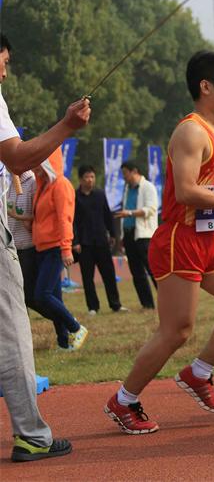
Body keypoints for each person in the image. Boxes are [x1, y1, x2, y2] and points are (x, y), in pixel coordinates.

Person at [103, 51, 214, 435]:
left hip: (208, 242)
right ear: (205, 87)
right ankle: (123, 400)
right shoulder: (191, 131)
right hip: (180, 241)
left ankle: (199, 372)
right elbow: (189, 191)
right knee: (176, 330)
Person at [0, 31, 91, 461]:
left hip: (45, 241)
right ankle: (32, 436)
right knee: (13, 331)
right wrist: (67, 125)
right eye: (2, 61)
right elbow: (17, 157)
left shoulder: (57, 187)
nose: (4, 70)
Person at [32, 149, 88, 352]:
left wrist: (66, 248)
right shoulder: (43, 186)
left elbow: (65, 218)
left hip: (55, 247)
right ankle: (63, 341)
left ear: (47, 162)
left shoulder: (61, 185)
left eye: (37, 161)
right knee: (55, 295)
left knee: (42, 295)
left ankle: (76, 327)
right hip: (42, 247)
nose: (34, 166)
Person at [73, 164, 126, 314]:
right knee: (87, 277)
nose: (90, 180)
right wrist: (75, 241)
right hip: (84, 243)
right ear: (80, 179)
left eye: (92, 177)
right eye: (86, 177)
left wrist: (113, 234)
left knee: (109, 274)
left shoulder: (100, 194)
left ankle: (116, 304)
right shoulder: (75, 197)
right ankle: (93, 307)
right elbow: (73, 221)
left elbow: (107, 215)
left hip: (102, 241)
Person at [114, 160, 158, 310]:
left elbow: (151, 209)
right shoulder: (127, 189)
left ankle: (167, 301)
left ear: (134, 171)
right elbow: (124, 213)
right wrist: (121, 237)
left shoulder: (148, 187)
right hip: (129, 234)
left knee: (152, 269)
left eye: (125, 173)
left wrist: (130, 213)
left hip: (144, 234)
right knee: (136, 272)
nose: (124, 177)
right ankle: (147, 304)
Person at [7, 170, 37, 311]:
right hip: (11, 245)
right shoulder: (8, 181)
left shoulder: (32, 182)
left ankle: (68, 322)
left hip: (28, 245)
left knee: (29, 294)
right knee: (14, 291)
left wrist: (21, 217)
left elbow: (38, 214)